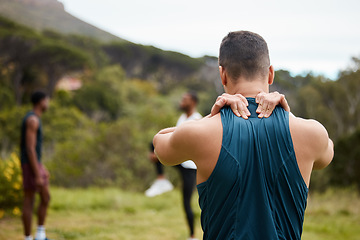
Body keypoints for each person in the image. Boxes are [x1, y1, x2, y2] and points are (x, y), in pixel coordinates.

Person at [153, 31, 334, 240]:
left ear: (222, 74)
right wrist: (289, 115)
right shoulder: (312, 133)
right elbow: (328, 151)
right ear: (270, 74)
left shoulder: (200, 133)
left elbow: (159, 145)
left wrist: (208, 119)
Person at [146, 92, 202, 240]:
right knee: (153, 143)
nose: (181, 101)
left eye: (185, 99)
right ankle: (161, 180)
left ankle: (192, 236)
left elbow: (189, 145)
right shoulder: (183, 118)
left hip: (190, 167)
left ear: (193, 102)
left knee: (187, 203)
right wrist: (159, 153)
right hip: (180, 161)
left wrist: (160, 155)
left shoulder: (196, 119)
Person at [20, 91, 51, 240]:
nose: (48, 103)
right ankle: (28, 238)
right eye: (47, 100)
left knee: (45, 198)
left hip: (34, 164)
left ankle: (40, 235)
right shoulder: (32, 120)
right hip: (29, 165)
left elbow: (35, 150)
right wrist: (37, 174)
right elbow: (30, 148)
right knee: (29, 200)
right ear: (41, 102)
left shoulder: (36, 119)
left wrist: (41, 167)